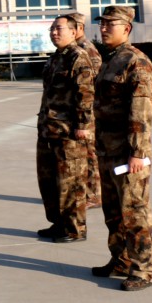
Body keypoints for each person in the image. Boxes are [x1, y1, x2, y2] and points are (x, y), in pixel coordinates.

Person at [91, 6, 152, 292]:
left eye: (111, 24)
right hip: (107, 150)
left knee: (135, 213)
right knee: (113, 212)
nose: (104, 28)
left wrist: (138, 153)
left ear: (127, 28)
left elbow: (141, 111)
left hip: (128, 153)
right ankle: (120, 260)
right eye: (102, 23)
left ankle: (143, 270)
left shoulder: (136, 62)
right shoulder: (110, 60)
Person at [37, 15, 95, 243]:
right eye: (52, 29)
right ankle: (58, 223)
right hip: (49, 130)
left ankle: (75, 229)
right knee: (50, 181)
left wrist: (83, 125)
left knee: (71, 183)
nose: (54, 33)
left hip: (68, 132)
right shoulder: (55, 59)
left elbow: (86, 94)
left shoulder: (78, 57)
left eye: (59, 29)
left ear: (73, 31)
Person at [67, 11, 103, 209]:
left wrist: (86, 118)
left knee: (90, 154)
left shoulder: (86, 49)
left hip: (88, 112)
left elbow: (92, 84)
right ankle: (85, 191)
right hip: (78, 110)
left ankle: (94, 194)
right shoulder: (74, 49)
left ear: (79, 28)